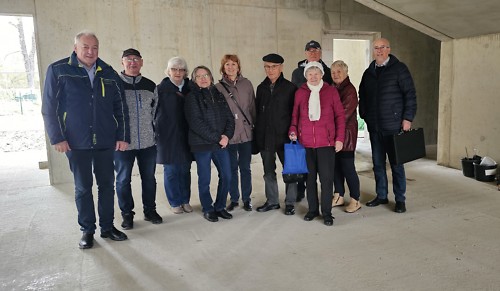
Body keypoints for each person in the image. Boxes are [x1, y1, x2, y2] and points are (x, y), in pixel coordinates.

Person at [41, 30, 129, 249]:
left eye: (95, 48)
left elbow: (121, 108)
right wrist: (57, 138)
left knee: (107, 186)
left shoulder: (108, 72)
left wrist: (122, 136)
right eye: (85, 47)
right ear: (75, 48)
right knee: (83, 188)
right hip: (75, 142)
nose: (90, 52)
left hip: (105, 142)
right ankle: (87, 230)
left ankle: (107, 227)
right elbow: (48, 108)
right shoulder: (59, 70)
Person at [358, 38, 417, 213]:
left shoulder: (399, 69)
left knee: (397, 165)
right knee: (377, 164)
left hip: (394, 126)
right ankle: (382, 195)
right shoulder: (369, 72)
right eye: (376, 48)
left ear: (389, 49)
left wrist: (407, 118)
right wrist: (364, 115)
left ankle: (400, 199)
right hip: (375, 127)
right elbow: (363, 95)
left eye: (382, 47)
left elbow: (410, 95)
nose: (379, 51)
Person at [289, 61, 345, 226]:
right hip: (306, 143)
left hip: (326, 143)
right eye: (310, 74)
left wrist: (340, 138)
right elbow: (295, 116)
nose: (313, 77)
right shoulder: (300, 93)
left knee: (327, 180)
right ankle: (312, 209)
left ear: (321, 75)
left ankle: (326, 212)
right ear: (306, 76)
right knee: (310, 179)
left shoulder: (331, 91)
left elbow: (340, 117)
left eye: (316, 73)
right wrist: (293, 131)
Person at [114, 48, 162, 230]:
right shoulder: (115, 84)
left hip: (148, 143)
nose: (132, 62)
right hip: (122, 144)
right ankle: (127, 214)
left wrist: (154, 134)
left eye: (136, 59)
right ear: (122, 62)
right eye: (129, 59)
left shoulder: (151, 86)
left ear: (142, 62)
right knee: (123, 179)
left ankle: (150, 211)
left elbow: (155, 113)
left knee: (149, 178)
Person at [184, 66, 235, 222]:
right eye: (199, 76)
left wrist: (226, 136)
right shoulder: (192, 97)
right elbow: (196, 123)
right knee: (205, 178)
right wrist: (217, 138)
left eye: (206, 75)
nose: (203, 78)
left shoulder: (218, 94)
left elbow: (229, 118)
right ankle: (208, 208)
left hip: (220, 143)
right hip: (202, 145)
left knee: (227, 175)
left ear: (211, 77)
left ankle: (220, 206)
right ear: (194, 80)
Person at [254, 53, 298, 215]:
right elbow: (258, 114)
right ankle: (272, 201)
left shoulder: (290, 88)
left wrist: (294, 134)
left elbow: (295, 114)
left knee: (290, 171)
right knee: (268, 172)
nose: (270, 70)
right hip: (266, 138)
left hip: (286, 138)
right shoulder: (261, 88)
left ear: (281, 67)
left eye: (274, 66)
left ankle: (290, 202)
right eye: (267, 66)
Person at [291, 40, 333, 201]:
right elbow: (295, 100)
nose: (313, 53)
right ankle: (302, 192)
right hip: (305, 127)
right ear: (305, 53)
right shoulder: (296, 73)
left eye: (316, 50)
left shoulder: (327, 72)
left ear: (320, 53)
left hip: (323, 130)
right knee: (305, 166)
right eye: (310, 51)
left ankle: (329, 200)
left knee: (325, 172)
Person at [215, 54, 256, 212]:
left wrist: (255, 126)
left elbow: (252, 107)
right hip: (229, 135)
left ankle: (247, 199)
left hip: (246, 134)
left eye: (233, 64)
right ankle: (234, 199)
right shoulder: (217, 87)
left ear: (238, 67)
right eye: (227, 65)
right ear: (223, 68)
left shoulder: (247, 84)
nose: (230, 67)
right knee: (231, 168)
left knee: (245, 168)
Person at [155, 57, 193, 215]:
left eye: (181, 69)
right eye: (174, 69)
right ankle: (175, 201)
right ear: (168, 71)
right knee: (171, 170)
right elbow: (153, 113)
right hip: (167, 136)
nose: (178, 72)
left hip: (187, 135)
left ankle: (185, 200)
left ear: (185, 72)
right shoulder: (160, 89)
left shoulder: (190, 88)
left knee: (185, 169)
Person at [330, 60, 361, 213]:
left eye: (339, 72)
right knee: (335, 167)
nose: (336, 75)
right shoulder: (332, 88)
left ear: (346, 72)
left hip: (346, 136)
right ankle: (339, 195)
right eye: (333, 72)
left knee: (348, 167)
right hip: (333, 136)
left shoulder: (349, 90)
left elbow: (343, 114)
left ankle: (355, 199)